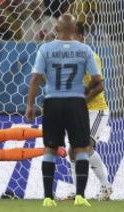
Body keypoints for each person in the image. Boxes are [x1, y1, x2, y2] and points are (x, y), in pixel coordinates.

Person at [25, 14, 103, 207]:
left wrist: (29, 105)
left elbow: (35, 78)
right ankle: (80, 196)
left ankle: (47, 198)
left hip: (53, 103)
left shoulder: (46, 49)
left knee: (50, 148)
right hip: (76, 103)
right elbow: (97, 80)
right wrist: (84, 89)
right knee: (81, 148)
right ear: (75, 30)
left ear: (57, 29)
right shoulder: (85, 50)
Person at [68, 22, 112, 201]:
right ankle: (77, 191)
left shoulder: (90, 56)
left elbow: (100, 86)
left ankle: (106, 186)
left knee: (84, 146)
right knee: (72, 151)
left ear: (80, 37)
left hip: (96, 110)